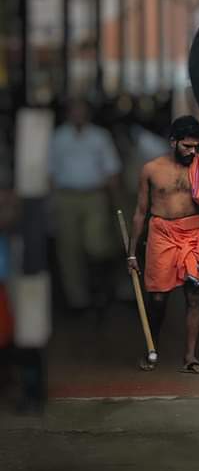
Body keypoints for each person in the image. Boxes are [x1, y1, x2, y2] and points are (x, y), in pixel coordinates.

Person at [127, 116, 199, 374]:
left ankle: (191, 357)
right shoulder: (151, 169)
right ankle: (152, 348)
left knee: (195, 296)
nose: (192, 152)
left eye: (196, 147)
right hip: (161, 236)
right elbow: (140, 212)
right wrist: (132, 252)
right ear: (173, 142)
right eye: (187, 147)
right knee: (158, 299)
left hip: (192, 236)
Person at [49, 100, 121, 312]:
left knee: (97, 244)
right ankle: (77, 300)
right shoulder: (58, 137)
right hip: (66, 197)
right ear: (68, 113)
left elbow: (112, 170)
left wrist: (114, 201)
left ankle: (100, 288)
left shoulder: (99, 137)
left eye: (81, 111)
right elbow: (50, 171)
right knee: (69, 249)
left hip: (94, 196)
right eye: (74, 110)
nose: (78, 115)